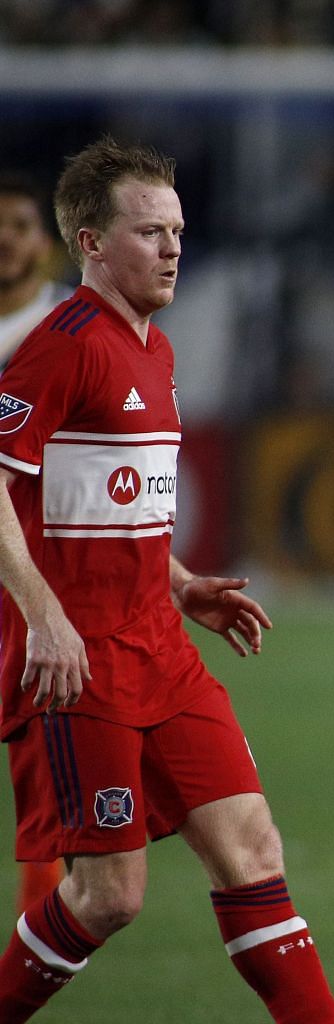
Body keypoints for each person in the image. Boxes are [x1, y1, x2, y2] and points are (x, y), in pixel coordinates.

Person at [0, 138, 334, 1024]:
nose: (173, 248)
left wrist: (183, 584)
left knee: (250, 845)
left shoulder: (153, 348)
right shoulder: (63, 341)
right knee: (107, 895)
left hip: (160, 648)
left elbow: (109, 502)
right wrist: (42, 612)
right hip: (76, 661)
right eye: (149, 232)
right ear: (90, 241)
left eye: (178, 230)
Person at [0, 174, 66, 919]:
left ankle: (31, 943)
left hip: (28, 579)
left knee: (41, 784)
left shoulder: (61, 338)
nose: (6, 240)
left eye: (20, 225)